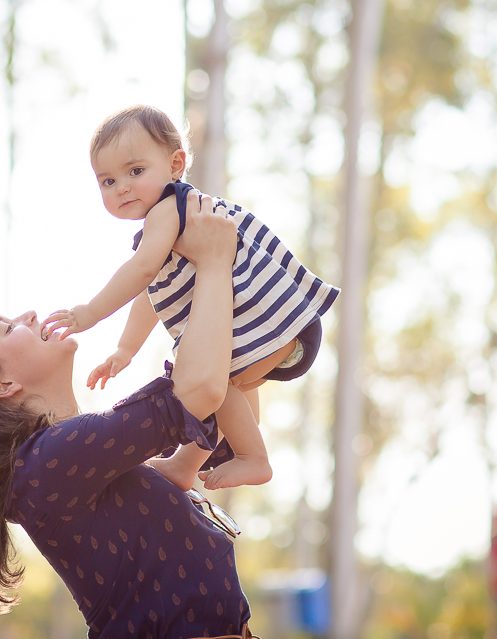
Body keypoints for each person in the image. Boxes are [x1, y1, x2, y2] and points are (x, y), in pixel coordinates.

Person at [0, 196, 263, 639]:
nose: (28, 314)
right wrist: (216, 262)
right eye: (8, 327)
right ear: (2, 384)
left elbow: (221, 400)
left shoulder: (70, 460)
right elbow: (200, 391)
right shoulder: (51, 462)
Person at [44, 105, 340, 490]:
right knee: (229, 388)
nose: (122, 187)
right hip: (279, 329)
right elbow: (152, 292)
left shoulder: (168, 209)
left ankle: (251, 457)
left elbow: (142, 272)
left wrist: (90, 313)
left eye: (135, 171)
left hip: (271, 326)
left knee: (221, 382)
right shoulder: (174, 223)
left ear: (175, 164)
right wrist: (125, 349)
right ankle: (204, 460)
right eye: (107, 181)